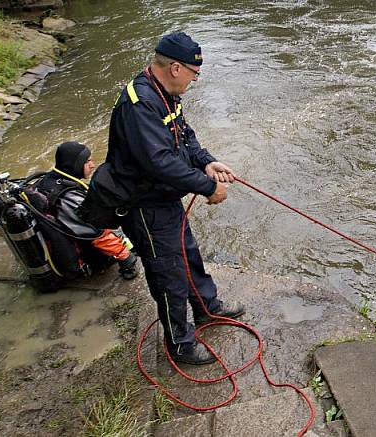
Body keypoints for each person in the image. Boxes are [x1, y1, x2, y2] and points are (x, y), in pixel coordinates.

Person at [103, 31, 244, 365]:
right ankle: (180, 343)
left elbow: (185, 137)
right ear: (177, 68)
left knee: (187, 255)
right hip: (144, 206)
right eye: (194, 74)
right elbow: (159, 162)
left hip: (164, 200)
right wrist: (208, 187)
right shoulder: (139, 104)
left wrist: (207, 161)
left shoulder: (165, 94)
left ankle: (207, 308)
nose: (194, 81)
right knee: (168, 272)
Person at [27, 141, 139, 280]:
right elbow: (95, 233)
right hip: (83, 257)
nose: (92, 165)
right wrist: (127, 259)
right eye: (87, 161)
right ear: (75, 164)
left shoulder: (48, 181)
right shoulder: (68, 196)